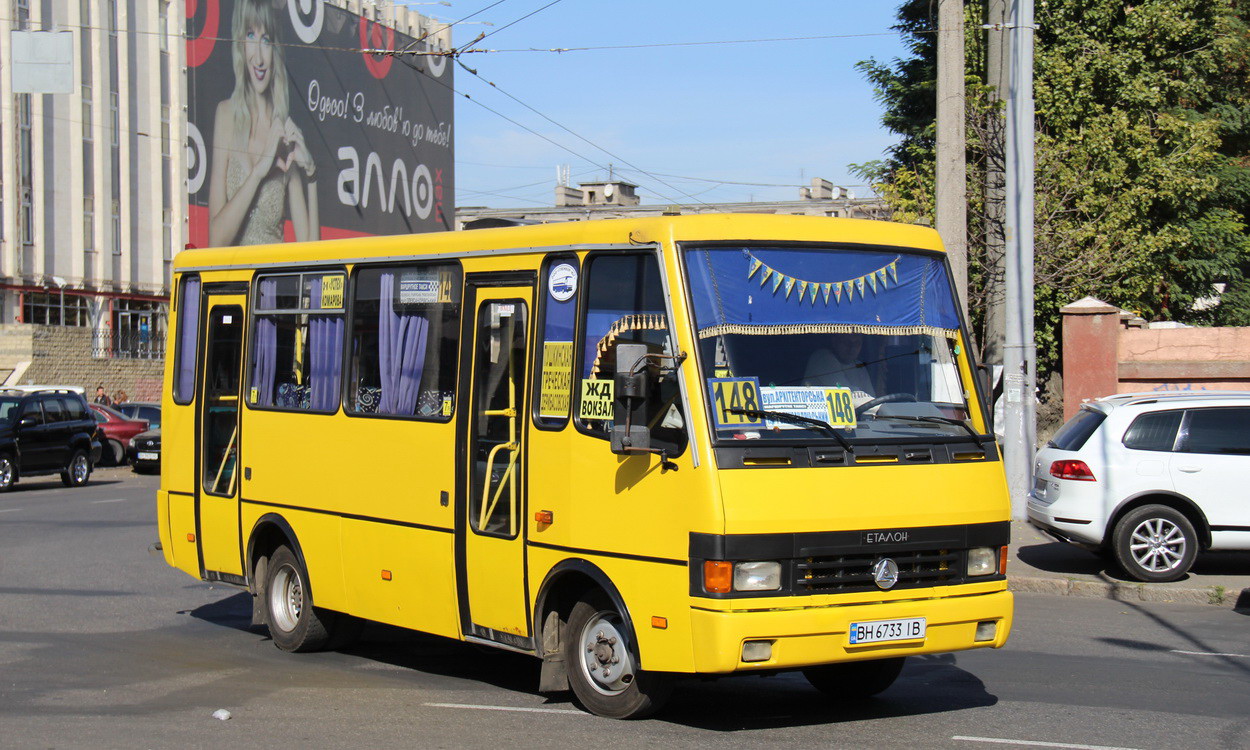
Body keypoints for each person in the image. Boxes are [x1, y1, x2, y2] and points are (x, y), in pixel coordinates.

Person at [208, 0, 318, 247]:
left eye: (266, 40)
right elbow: (215, 241)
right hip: (233, 283)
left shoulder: (286, 136)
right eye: (250, 36)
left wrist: (312, 176)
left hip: (272, 283)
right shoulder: (225, 115)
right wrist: (259, 171)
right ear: (240, 44)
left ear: (277, 50)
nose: (258, 57)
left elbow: (314, 257)